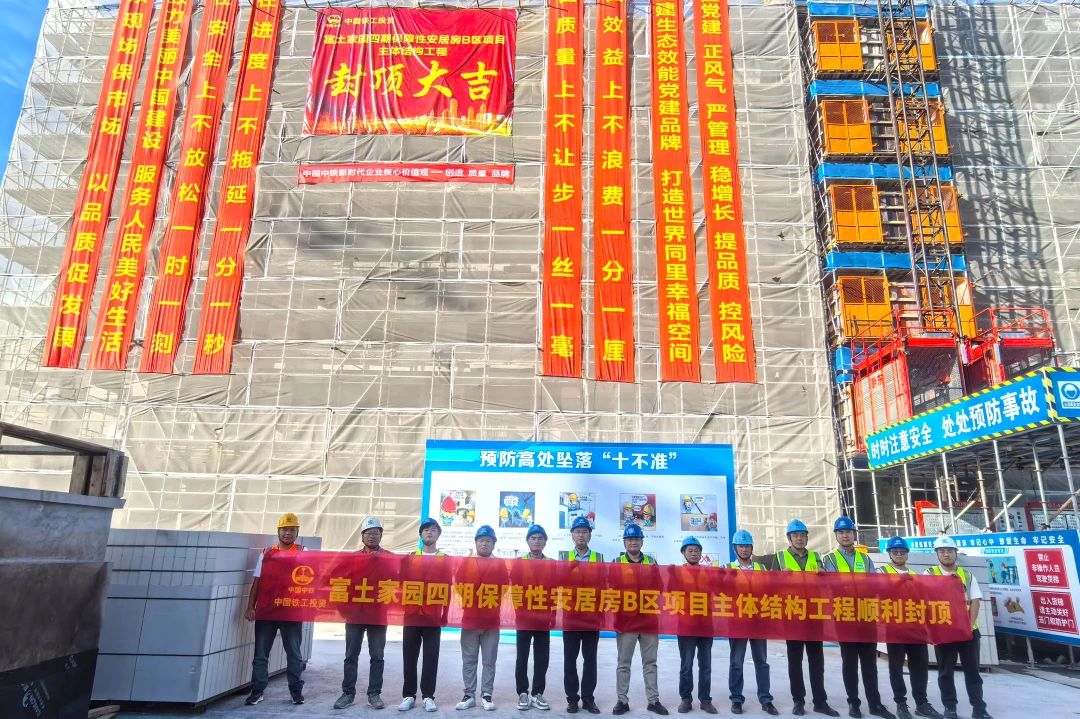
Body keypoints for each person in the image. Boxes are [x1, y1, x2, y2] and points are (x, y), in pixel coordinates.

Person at [822, 517, 893, 719]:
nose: (845, 535)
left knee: (870, 663)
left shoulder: (865, 559)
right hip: (845, 616)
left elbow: (874, 584)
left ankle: (875, 704)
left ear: (854, 534)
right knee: (850, 663)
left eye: (848, 532)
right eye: (841, 532)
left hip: (866, 615)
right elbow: (833, 586)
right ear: (836, 536)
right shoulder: (830, 559)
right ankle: (854, 703)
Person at [769, 519, 838, 717]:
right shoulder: (780, 557)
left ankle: (820, 701)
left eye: (802, 535)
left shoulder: (817, 557)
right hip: (792, 615)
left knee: (817, 661)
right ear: (789, 538)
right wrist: (779, 578)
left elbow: (828, 585)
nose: (799, 538)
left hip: (814, 614)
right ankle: (798, 701)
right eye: (795, 535)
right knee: (795, 661)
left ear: (807, 537)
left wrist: (824, 575)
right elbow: (769, 585)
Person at [925, 537, 993, 719]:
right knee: (946, 671)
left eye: (949, 550)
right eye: (942, 551)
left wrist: (968, 627)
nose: (946, 554)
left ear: (956, 553)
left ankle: (979, 708)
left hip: (968, 631)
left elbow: (975, 601)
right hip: (944, 631)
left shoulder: (967, 575)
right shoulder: (929, 574)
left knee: (973, 672)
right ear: (937, 554)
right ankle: (950, 707)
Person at [244, 513, 307, 706]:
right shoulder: (266, 553)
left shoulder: (304, 552)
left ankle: (296, 692)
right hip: (267, 611)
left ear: (297, 532)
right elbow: (257, 581)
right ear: (278, 531)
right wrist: (250, 607)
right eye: (285, 529)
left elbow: (311, 579)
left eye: (292, 530)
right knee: (261, 654)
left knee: (294, 654)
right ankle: (257, 691)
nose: (288, 533)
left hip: (291, 611)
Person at [879, 537, 942, 719]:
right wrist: (898, 582)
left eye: (902, 551)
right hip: (895, 627)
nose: (899, 554)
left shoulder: (916, 574)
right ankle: (901, 703)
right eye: (895, 552)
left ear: (907, 554)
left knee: (920, 666)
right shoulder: (881, 572)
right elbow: (878, 594)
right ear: (889, 554)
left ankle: (922, 703)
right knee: (896, 667)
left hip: (916, 628)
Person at [612, 523, 668, 716]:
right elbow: (610, 588)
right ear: (624, 542)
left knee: (650, 663)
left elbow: (659, 588)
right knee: (623, 663)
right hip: (626, 621)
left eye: (636, 539)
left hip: (648, 620)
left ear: (642, 542)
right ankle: (622, 701)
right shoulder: (617, 562)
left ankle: (653, 701)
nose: (633, 542)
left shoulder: (651, 562)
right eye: (629, 539)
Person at [335, 516, 390, 710]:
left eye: (375, 533)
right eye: (368, 533)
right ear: (362, 536)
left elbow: (400, 581)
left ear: (381, 535)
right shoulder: (352, 558)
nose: (372, 536)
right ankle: (348, 693)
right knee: (351, 655)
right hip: (355, 614)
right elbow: (338, 581)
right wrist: (342, 608)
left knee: (377, 656)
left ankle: (374, 694)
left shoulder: (389, 558)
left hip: (378, 614)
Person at [726, 530, 777, 716]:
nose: (744, 549)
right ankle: (736, 699)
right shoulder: (728, 568)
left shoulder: (761, 568)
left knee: (761, 662)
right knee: (736, 662)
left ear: (752, 548)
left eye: (747, 546)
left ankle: (765, 699)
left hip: (758, 621)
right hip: (738, 622)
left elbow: (771, 589)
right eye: (741, 546)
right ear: (735, 548)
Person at [401, 517, 446, 712]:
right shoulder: (410, 557)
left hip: (433, 616)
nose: (429, 532)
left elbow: (448, 588)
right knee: (409, 657)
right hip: (411, 615)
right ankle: (408, 695)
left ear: (438, 534)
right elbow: (401, 584)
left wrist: (445, 614)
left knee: (431, 657)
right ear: (420, 534)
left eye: (433, 529)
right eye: (426, 529)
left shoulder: (445, 559)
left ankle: (428, 696)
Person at [457, 525, 503, 712]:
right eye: (481, 540)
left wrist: (487, 600)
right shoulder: (466, 563)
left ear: (493, 544)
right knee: (469, 659)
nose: (484, 544)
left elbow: (504, 587)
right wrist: (474, 599)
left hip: (491, 619)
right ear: (476, 543)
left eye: (488, 541)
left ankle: (486, 694)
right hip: (470, 618)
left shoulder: (499, 564)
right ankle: (469, 694)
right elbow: (459, 585)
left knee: (489, 659)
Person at [563, 516, 603, 715]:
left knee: (590, 660)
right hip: (571, 616)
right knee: (570, 660)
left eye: (584, 532)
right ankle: (572, 699)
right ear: (572, 535)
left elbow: (605, 585)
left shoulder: (600, 558)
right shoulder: (564, 558)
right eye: (577, 532)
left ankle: (588, 698)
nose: (581, 535)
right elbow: (557, 584)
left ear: (590, 535)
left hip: (591, 616)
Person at [676, 536, 716, 715]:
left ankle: (705, 700)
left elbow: (720, 591)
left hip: (706, 624)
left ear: (701, 554)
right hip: (686, 625)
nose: (693, 553)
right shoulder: (677, 573)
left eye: (696, 550)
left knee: (705, 665)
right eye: (690, 550)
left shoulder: (709, 573)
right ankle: (686, 699)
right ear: (684, 553)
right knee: (686, 665)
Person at [517, 524, 552, 711]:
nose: (536, 541)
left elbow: (556, 591)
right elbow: (513, 589)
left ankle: (537, 692)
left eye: (540, 538)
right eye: (533, 538)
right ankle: (522, 692)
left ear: (545, 542)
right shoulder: (519, 563)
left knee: (542, 658)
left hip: (543, 617)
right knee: (522, 657)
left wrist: (553, 615)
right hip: (523, 617)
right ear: (527, 541)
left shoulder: (552, 564)